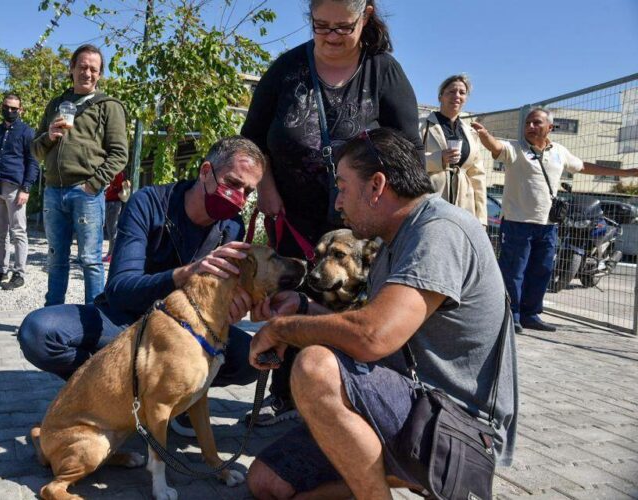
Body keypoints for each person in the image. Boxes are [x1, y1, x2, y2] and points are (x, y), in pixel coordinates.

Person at [244, 127, 518, 499]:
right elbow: (373, 330)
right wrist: (305, 307)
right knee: (266, 483)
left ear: (376, 186)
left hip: (454, 429)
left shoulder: (440, 230)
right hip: (401, 406)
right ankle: (377, 478)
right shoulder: (395, 240)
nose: (337, 202)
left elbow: (373, 337)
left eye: (342, 187)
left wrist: (284, 329)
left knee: (315, 367)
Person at [240, 0, 423, 426]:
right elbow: (251, 142)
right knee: (291, 303)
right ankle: (286, 396)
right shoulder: (285, 69)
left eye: (343, 27)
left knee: (350, 311)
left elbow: (409, 151)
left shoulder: (384, 71)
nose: (331, 36)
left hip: (360, 227)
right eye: (321, 26)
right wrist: (266, 190)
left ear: (367, 16)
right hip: (293, 218)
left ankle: (347, 398)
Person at [18, 136, 265, 437]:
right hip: (125, 322)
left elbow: (223, 298)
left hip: (184, 335)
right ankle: (108, 397)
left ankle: (178, 398)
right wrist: (184, 274)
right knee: (39, 333)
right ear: (205, 171)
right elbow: (120, 288)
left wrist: (236, 307)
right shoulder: (148, 203)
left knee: (253, 356)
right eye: (233, 183)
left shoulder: (232, 227)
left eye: (248, 191)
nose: (238, 196)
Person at [473, 108, 638, 332]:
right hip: (516, 224)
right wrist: (484, 135)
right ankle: (510, 316)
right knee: (513, 272)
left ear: (550, 127)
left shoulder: (559, 152)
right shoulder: (515, 149)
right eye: (527, 123)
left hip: (548, 226)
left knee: (541, 271)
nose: (530, 127)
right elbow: (496, 146)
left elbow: (585, 167)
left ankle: (531, 314)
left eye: (536, 123)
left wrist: (627, 172)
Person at [32, 44, 129, 306]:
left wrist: (94, 184)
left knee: (90, 260)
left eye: (93, 69)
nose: (87, 73)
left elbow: (120, 154)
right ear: (72, 69)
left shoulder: (109, 107)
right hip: (54, 191)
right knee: (56, 258)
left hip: (86, 193)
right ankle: (52, 316)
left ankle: (93, 318)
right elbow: (35, 149)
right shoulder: (56, 104)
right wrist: (48, 137)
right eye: (82, 67)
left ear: (99, 75)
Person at [0, 93, 40, 290]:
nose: (10, 111)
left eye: (14, 108)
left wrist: (26, 188)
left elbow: (33, 162)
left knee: (18, 232)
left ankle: (19, 273)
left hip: (15, 189)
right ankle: (0, 270)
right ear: (1, 108)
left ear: (21, 110)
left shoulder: (27, 132)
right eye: (6, 107)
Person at [423, 74, 487, 224]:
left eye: (462, 93)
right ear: (440, 97)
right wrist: (438, 158)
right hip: (430, 202)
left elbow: (477, 176)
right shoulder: (421, 126)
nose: (456, 96)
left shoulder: (470, 133)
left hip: (464, 207)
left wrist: (481, 218)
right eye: (451, 92)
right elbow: (408, 161)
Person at [103, 171, 126, 262]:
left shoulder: (118, 173)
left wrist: (108, 187)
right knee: (110, 229)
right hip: (111, 202)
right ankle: (110, 253)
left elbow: (116, 187)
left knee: (112, 229)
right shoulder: (117, 173)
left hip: (113, 202)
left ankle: (112, 254)